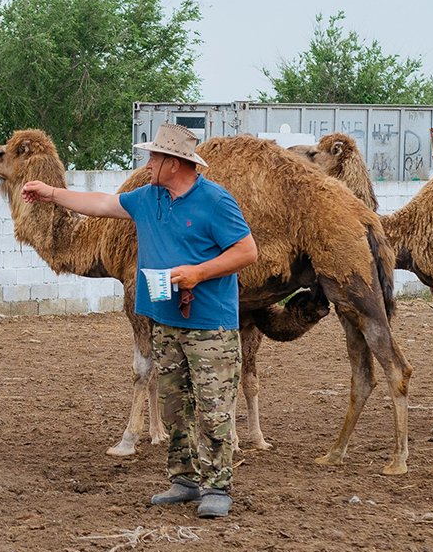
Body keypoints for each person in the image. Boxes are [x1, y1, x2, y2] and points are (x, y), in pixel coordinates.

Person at [21, 123, 258, 519]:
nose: (147, 164)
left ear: (175, 163)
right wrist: (50, 194)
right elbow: (100, 204)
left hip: (209, 326)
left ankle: (217, 487)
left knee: (213, 406)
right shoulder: (149, 198)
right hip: (164, 319)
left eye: (153, 157)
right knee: (172, 404)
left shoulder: (216, 202)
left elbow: (247, 251)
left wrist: (199, 273)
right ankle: (184, 481)